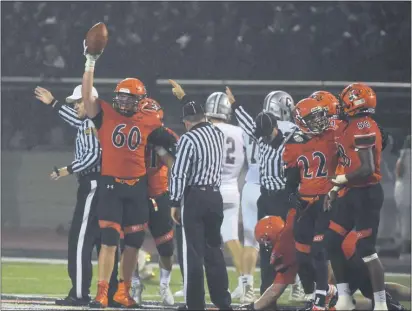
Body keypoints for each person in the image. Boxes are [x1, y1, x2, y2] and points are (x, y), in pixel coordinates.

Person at [81, 42, 177, 308]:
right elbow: (88, 96)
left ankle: (123, 291)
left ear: (141, 101)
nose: (122, 101)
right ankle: (102, 292)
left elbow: (165, 140)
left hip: (138, 189)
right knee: (110, 241)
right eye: (119, 96)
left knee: (134, 243)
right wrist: (90, 62)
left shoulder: (150, 119)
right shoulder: (105, 113)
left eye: (128, 97)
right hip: (111, 186)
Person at [33, 85, 118, 306]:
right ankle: (110, 292)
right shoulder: (94, 120)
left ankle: (79, 293)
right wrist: (54, 104)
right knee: (104, 241)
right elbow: (75, 118)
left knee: (80, 240)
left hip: (93, 184)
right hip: (105, 185)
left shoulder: (90, 123)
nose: (76, 106)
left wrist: (66, 169)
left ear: (91, 102)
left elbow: (93, 155)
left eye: (79, 102)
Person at [226, 87, 297, 295]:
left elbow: (248, 124)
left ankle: (269, 284)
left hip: (275, 194)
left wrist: (235, 104)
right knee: (281, 242)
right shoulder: (285, 130)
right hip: (272, 195)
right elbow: (251, 127)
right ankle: (291, 285)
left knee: (269, 242)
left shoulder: (286, 135)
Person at [168, 80, 232, 310]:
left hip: (195, 198)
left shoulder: (187, 139)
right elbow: (200, 117)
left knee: (192, 254)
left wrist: (174, 201)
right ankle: (222, 301)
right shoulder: (217, 134)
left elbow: (179, 173)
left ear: (186, 123)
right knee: (214, 252)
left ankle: (194, 304)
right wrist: (185, 98)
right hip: (215, 198)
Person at [324, 83, 388, 310]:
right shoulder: (347, 125)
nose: (341, 105)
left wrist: (340, 181)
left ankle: (381, 304)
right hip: (352, 191)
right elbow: (347, 163)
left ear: (355, 103)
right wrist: (335, 189)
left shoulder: (363, 125)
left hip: (366, 193)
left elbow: (367, 168)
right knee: (332, 241)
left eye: (345, 101)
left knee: (366, 250)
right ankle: (343, 298)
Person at [283, 97, 340, 310]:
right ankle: (320, 292)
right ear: (300, 120)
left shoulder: (333, 134)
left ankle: (320, 299)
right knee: (302, 254)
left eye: (320, 115)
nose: (319, 120)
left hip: (326, 201)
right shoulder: (293, 142)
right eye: (313, 117)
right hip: (305, 204)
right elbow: (291, 179)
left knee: (318, 249)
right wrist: (290, 194)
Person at [130, 98, 178, 306]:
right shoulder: (130, 133)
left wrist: (160, 150)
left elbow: (176, 165)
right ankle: (134, 284)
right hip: (136, 194)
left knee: (166, 247)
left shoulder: (164, 137)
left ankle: (164, 285)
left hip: (159, 194)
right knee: (130, 245)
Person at [204, 91, 246, 300]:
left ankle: (203, 286)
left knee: (205, 240)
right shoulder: (240, 132)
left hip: (210, 189)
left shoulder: (206, 130)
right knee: (231, 238)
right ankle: (245, 283)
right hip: (232, 189)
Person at [394, 135, 411, 256]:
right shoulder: (404, 155)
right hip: (405, 188)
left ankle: (405, 246)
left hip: (403, 189)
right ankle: (406, 246)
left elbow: (399, 173)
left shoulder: (403, 155)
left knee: (404, 218)